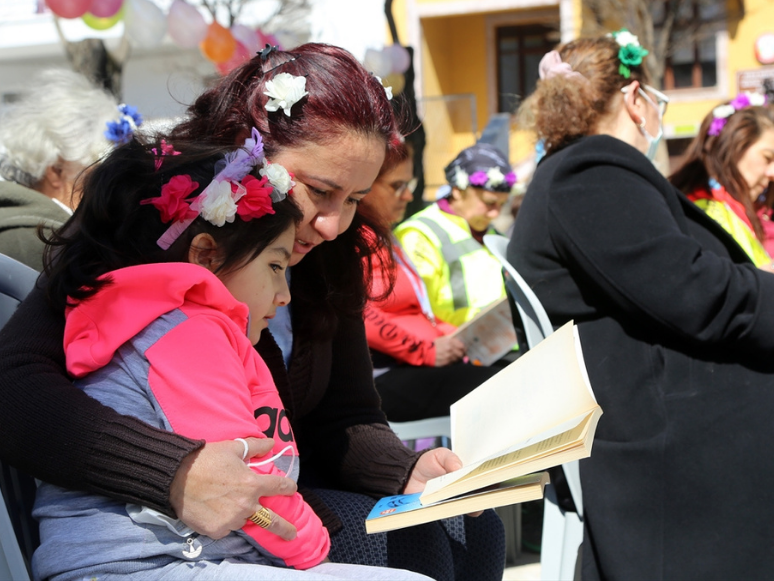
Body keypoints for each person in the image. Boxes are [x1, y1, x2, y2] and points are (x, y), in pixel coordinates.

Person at [0, 43, 505, 581]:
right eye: (319, 190)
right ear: (249, 150)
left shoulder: (329, 256)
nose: (333, 224)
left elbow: (345, 416)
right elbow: (13, 383)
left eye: (356, 198)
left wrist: (406, 470)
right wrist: (173, 472)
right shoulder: (147, 215)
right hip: (154, 531)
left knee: (473, 528)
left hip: (270, 500)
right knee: (413, 550)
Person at [32, 133, 431, 581]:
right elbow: (249, 476)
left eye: (355, 198)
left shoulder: (194, 327)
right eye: (276, 268)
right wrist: (313, 546)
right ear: (206, 254)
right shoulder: (187, 335)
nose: (284, 294)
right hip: (136, 567)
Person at [509, 30, 774, 580]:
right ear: (634, 98)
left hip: (655, 401)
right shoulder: (591, 172)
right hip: (663, 423)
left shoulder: (574, 172)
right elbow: (698, 295)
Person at [361, 139, 501, 422]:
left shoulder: (383, 234)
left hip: (417, 363)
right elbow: (358, 315)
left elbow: (419, 311)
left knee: (512, 377)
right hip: (385, 374)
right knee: (506, 386)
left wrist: (453, 338)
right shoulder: (355, 239)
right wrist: (426, 350)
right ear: (364, 184)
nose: (407, 196)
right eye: (396, 186)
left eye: (409, 186)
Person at [0, 68, 137, 270]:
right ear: (56, 170)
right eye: (102, 170)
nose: (113, 181)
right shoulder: (43, 246)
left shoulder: (66, 236)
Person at [395, 142, 515, 327]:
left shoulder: (490, 232)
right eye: (489, 202)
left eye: (502, 204)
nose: (495, 213)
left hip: (499, 344)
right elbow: (412, 309)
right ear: (458, 191)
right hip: (452, 347)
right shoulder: (418, 235)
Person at [669, 92, 774, 269]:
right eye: (767, 158)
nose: (772, 173)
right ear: (733, 148)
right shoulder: (705, 212)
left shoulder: (738, 209)